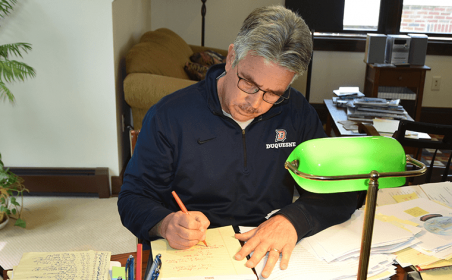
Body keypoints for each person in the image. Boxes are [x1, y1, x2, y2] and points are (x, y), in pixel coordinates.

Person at [118, 5, 357, 278]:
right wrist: (165, 224)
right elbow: (132, 197)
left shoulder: (297, 112)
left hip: (272, 252)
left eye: (273, 94)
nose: (254, 103)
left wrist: (293, 220)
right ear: (231, 58)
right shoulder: (169, 115)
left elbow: (342, 189)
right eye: (248, 83)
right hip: (197, 254)